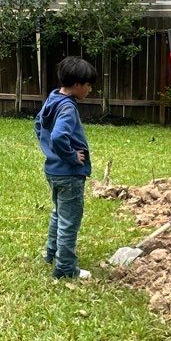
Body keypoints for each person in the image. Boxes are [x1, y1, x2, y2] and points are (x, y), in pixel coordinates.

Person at [36, 56, 96, 282]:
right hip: (69, 174)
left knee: (58, 214)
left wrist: (49, 151)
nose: (90, 90)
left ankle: (51, 253)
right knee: (69, 221)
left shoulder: (53, 98)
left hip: (53, 171)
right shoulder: (68, 108)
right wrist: (71, 156)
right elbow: (59, 136)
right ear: (77, 84)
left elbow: (38, 125)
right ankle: (65, 268)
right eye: (89, 85)